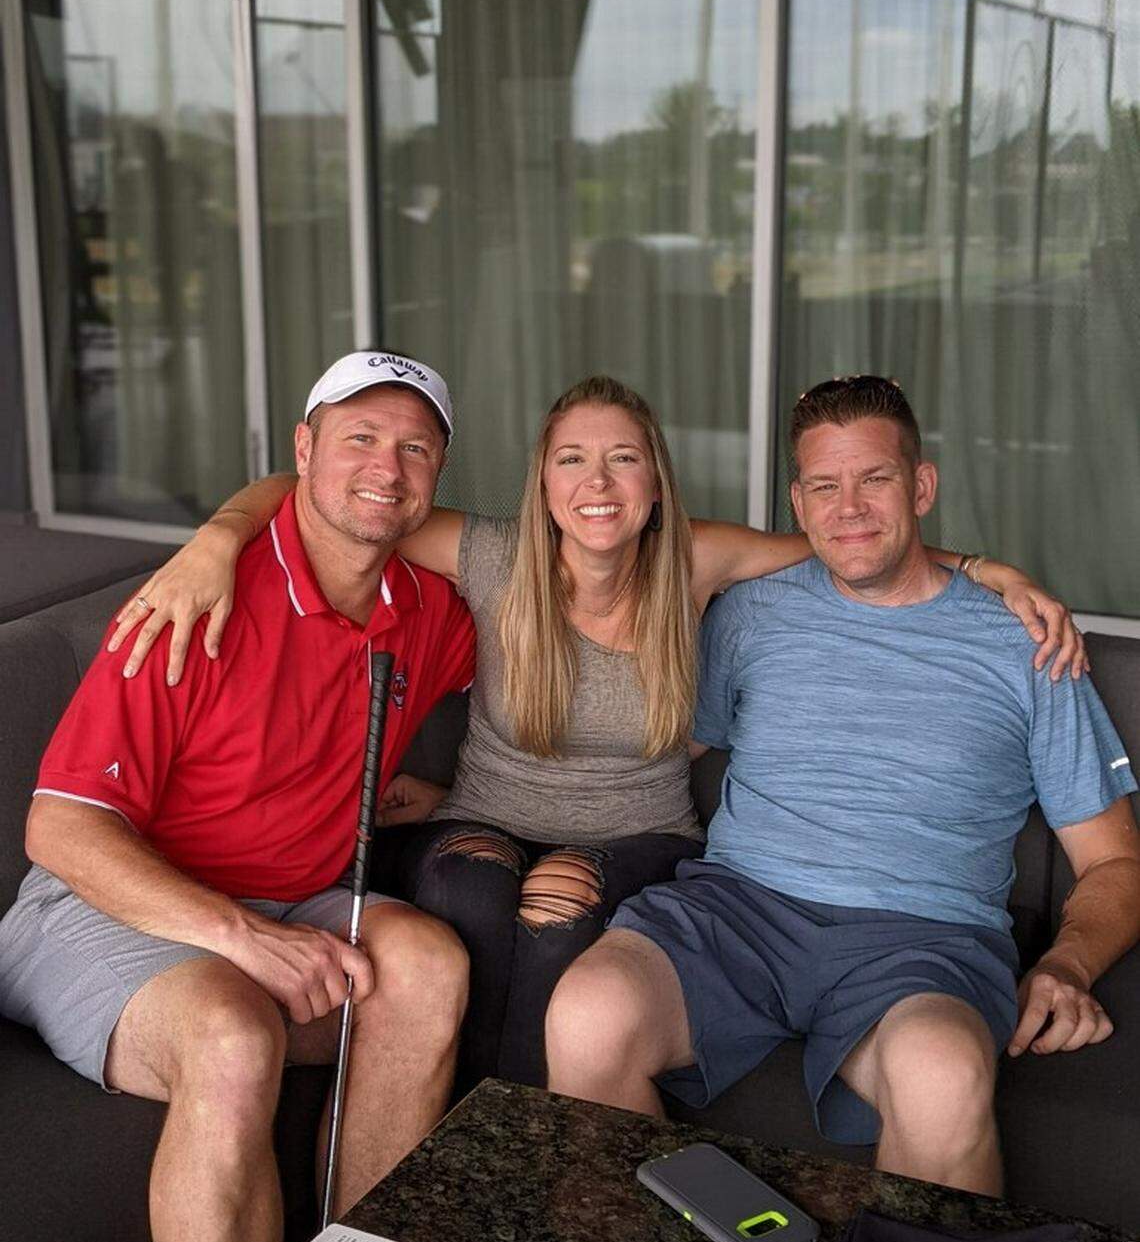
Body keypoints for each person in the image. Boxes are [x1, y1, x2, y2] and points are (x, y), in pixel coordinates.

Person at [106, 370, 1085, 1094]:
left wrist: (989, 570)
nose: (599, 480)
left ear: (654, 479)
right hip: (484, 816)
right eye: (573, 457)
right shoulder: (491, 557)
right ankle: (455, 1136)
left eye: (622, 457)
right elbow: (327, 495)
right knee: (469, 883)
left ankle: (529, 1142)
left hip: (641, 838)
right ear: (544, 478)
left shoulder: (700, 561)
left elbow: (857, 538)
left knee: (561, 898)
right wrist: (215, 539)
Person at [541, 375, 1140, 1197]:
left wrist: (1067, 965)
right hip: (736, 911)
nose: (848, 506)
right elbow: (645, 754)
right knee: (588, 1013)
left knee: (942, 1075)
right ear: (799, 500)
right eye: (825, 485)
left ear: (921, 486)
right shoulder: (751, 614)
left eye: (875, 479)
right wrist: (473, 797)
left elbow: (1112, 861)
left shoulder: (1027, 642)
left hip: (924, 941)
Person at [0, 352, 478, 1242]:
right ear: (304, 449)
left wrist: (470, 796)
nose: (388, 468)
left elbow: (569, 630)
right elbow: (59, 831)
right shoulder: (190, 606)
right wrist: (239, 939)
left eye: (416, 448)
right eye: (361, 439)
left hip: (290, 897)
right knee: (233, 1031)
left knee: (428, 966)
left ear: (438, 476)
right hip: (100, 908)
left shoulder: (428, 609)